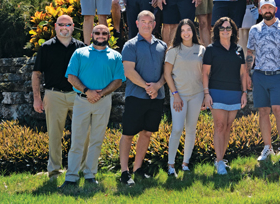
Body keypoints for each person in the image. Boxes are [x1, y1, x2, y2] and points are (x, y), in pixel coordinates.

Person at [60, 24, 124, 188]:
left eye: (104, 33)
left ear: (108, 36)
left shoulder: (115, 56)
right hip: (82, 100)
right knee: (77, 140)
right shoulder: (80, 53)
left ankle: (90, 174)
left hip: (103, 102)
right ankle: (71, 176)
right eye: (97, 32)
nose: (100, 35)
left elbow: (118, 80)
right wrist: (88, 91)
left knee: (96, 140)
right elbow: (71, 77)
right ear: (92, 34)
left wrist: (100, 94)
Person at [33, 15, 87, 179]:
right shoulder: (46, 48)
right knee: (55, 136)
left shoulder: (81, 48)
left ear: (73, 27)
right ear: (55, 27)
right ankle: (55, 171)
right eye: (61, 24)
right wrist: (37, 98)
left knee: (82, 134)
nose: (65, 27)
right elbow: (36, 74)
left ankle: (83, 170)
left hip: (77, 96)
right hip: (54, 95)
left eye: (68, 24)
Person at [119, 10, 167, 185]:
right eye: (143, 21)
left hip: (157, 97)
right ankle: (124, 172)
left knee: (147, 133)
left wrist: (158, 86)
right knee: (128, 134)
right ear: (137, 23)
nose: (147, 24)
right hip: (136, 96)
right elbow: (128, 71)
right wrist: (148, 87)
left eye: (150, 22)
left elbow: (166, 72)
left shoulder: (162, 46)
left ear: (154, 24)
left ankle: (137, 169)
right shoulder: (130, 45)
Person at [247, 0, 280, 162]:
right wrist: (247, 73)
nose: (267, 10)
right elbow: (250, 53)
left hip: (278, 75)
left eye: (270, 7)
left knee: (279, 111)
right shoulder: (254, 30)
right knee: (263, 112)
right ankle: (268, 148)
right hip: (259, 75)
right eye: (264, 7)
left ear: (275, 10)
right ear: (259, 10)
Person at [203, 17, 249, 175]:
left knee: (228, 126)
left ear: (233, 31)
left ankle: (221, 158)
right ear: (217, 31)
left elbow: (243, 73)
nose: (225, 31)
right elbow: (205, 73)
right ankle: (219, 161)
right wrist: (206, 93)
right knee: (220, 126)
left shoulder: (238, 50)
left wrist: (244, 93)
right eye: (222, 28)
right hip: (216, 92)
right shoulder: (211, 49)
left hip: (235, 92)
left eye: (228, 28)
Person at [164, 19, 206, 177]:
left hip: (197, 94)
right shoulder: (173, 51)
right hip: (178, 96)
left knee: (191, 129)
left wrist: (205, 95)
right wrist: (175, 95)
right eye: (183, 30)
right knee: (176, 129)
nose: (186, 33)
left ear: (193, 32)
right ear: (179, 33)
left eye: (189, 30)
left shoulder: (201, 49)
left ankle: (185, 163)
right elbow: (167, 74)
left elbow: (205, 74)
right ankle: (171, 165)